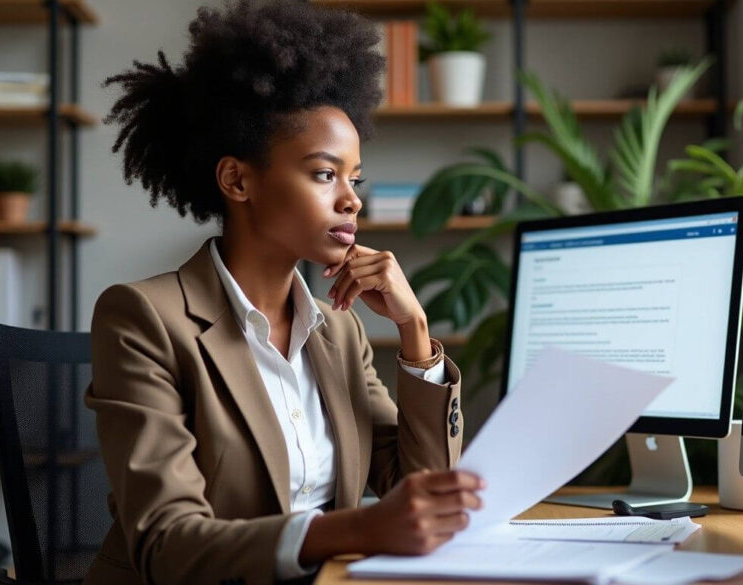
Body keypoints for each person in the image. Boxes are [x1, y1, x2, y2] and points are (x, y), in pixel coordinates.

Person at [84, 2, 483, 584]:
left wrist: (415, 334)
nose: (352, 200)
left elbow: (415, 493)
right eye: (325, 174)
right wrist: (358, 531)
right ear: (237, 180)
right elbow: (165, 544)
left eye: (355, 178)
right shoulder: (144, 318)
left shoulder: (338, 331)